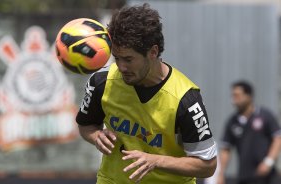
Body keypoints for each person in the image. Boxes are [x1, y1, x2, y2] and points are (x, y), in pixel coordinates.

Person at [76, 3, 217, 184]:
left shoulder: (185, 99)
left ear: (153, 52)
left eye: (128, 59)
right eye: (116, 58)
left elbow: (207, 165)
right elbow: (86, 126)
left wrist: (156, 161)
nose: (121, 67)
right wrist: (97, 137)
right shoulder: (101, 83)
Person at [217, 81, 281, 184]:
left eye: (237, 95)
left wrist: (268, 162)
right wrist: (220, 174)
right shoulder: (233, 121)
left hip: (268, 176)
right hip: (245, 177)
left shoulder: (265, 115)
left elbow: (277, 139)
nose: (233, 99)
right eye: (232, 95)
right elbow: (226, 149)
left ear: (249, 96)